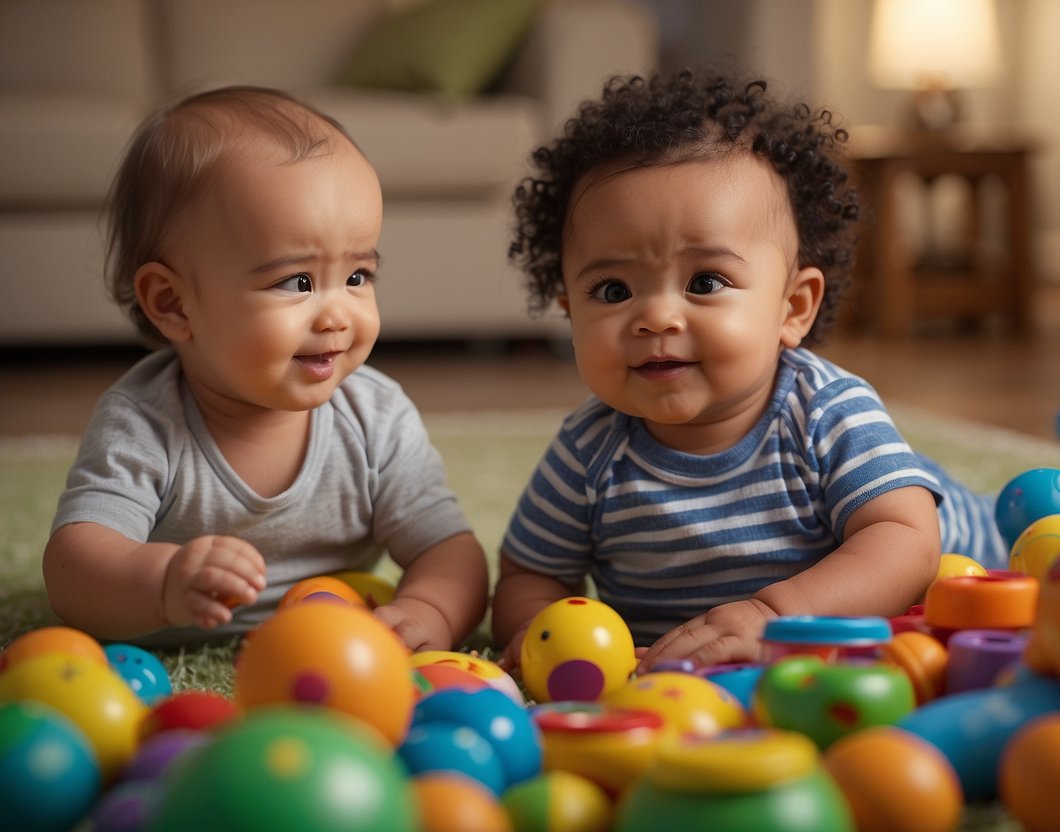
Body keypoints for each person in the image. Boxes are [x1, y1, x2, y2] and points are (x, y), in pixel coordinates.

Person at [491, 68, 1005, 673]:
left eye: (705, 282)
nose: (655, 316)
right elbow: (531, 570)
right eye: (611, 289)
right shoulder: (587, 452)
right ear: (568, 310)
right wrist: (537, 631)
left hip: (975, 546)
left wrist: (773, 614)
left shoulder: (827, 411)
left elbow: (909, 544)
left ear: (793, 308)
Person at [42, 87, 488, 650]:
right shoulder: (144, 424)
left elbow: (448, 549)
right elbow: (73, 570)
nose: (337, 315)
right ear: (174, 304)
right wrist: (163, 583)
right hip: (176, 636)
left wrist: (429, 609)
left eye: (358, 277)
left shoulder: (375, 417)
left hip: (326, 643)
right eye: (297, 282)